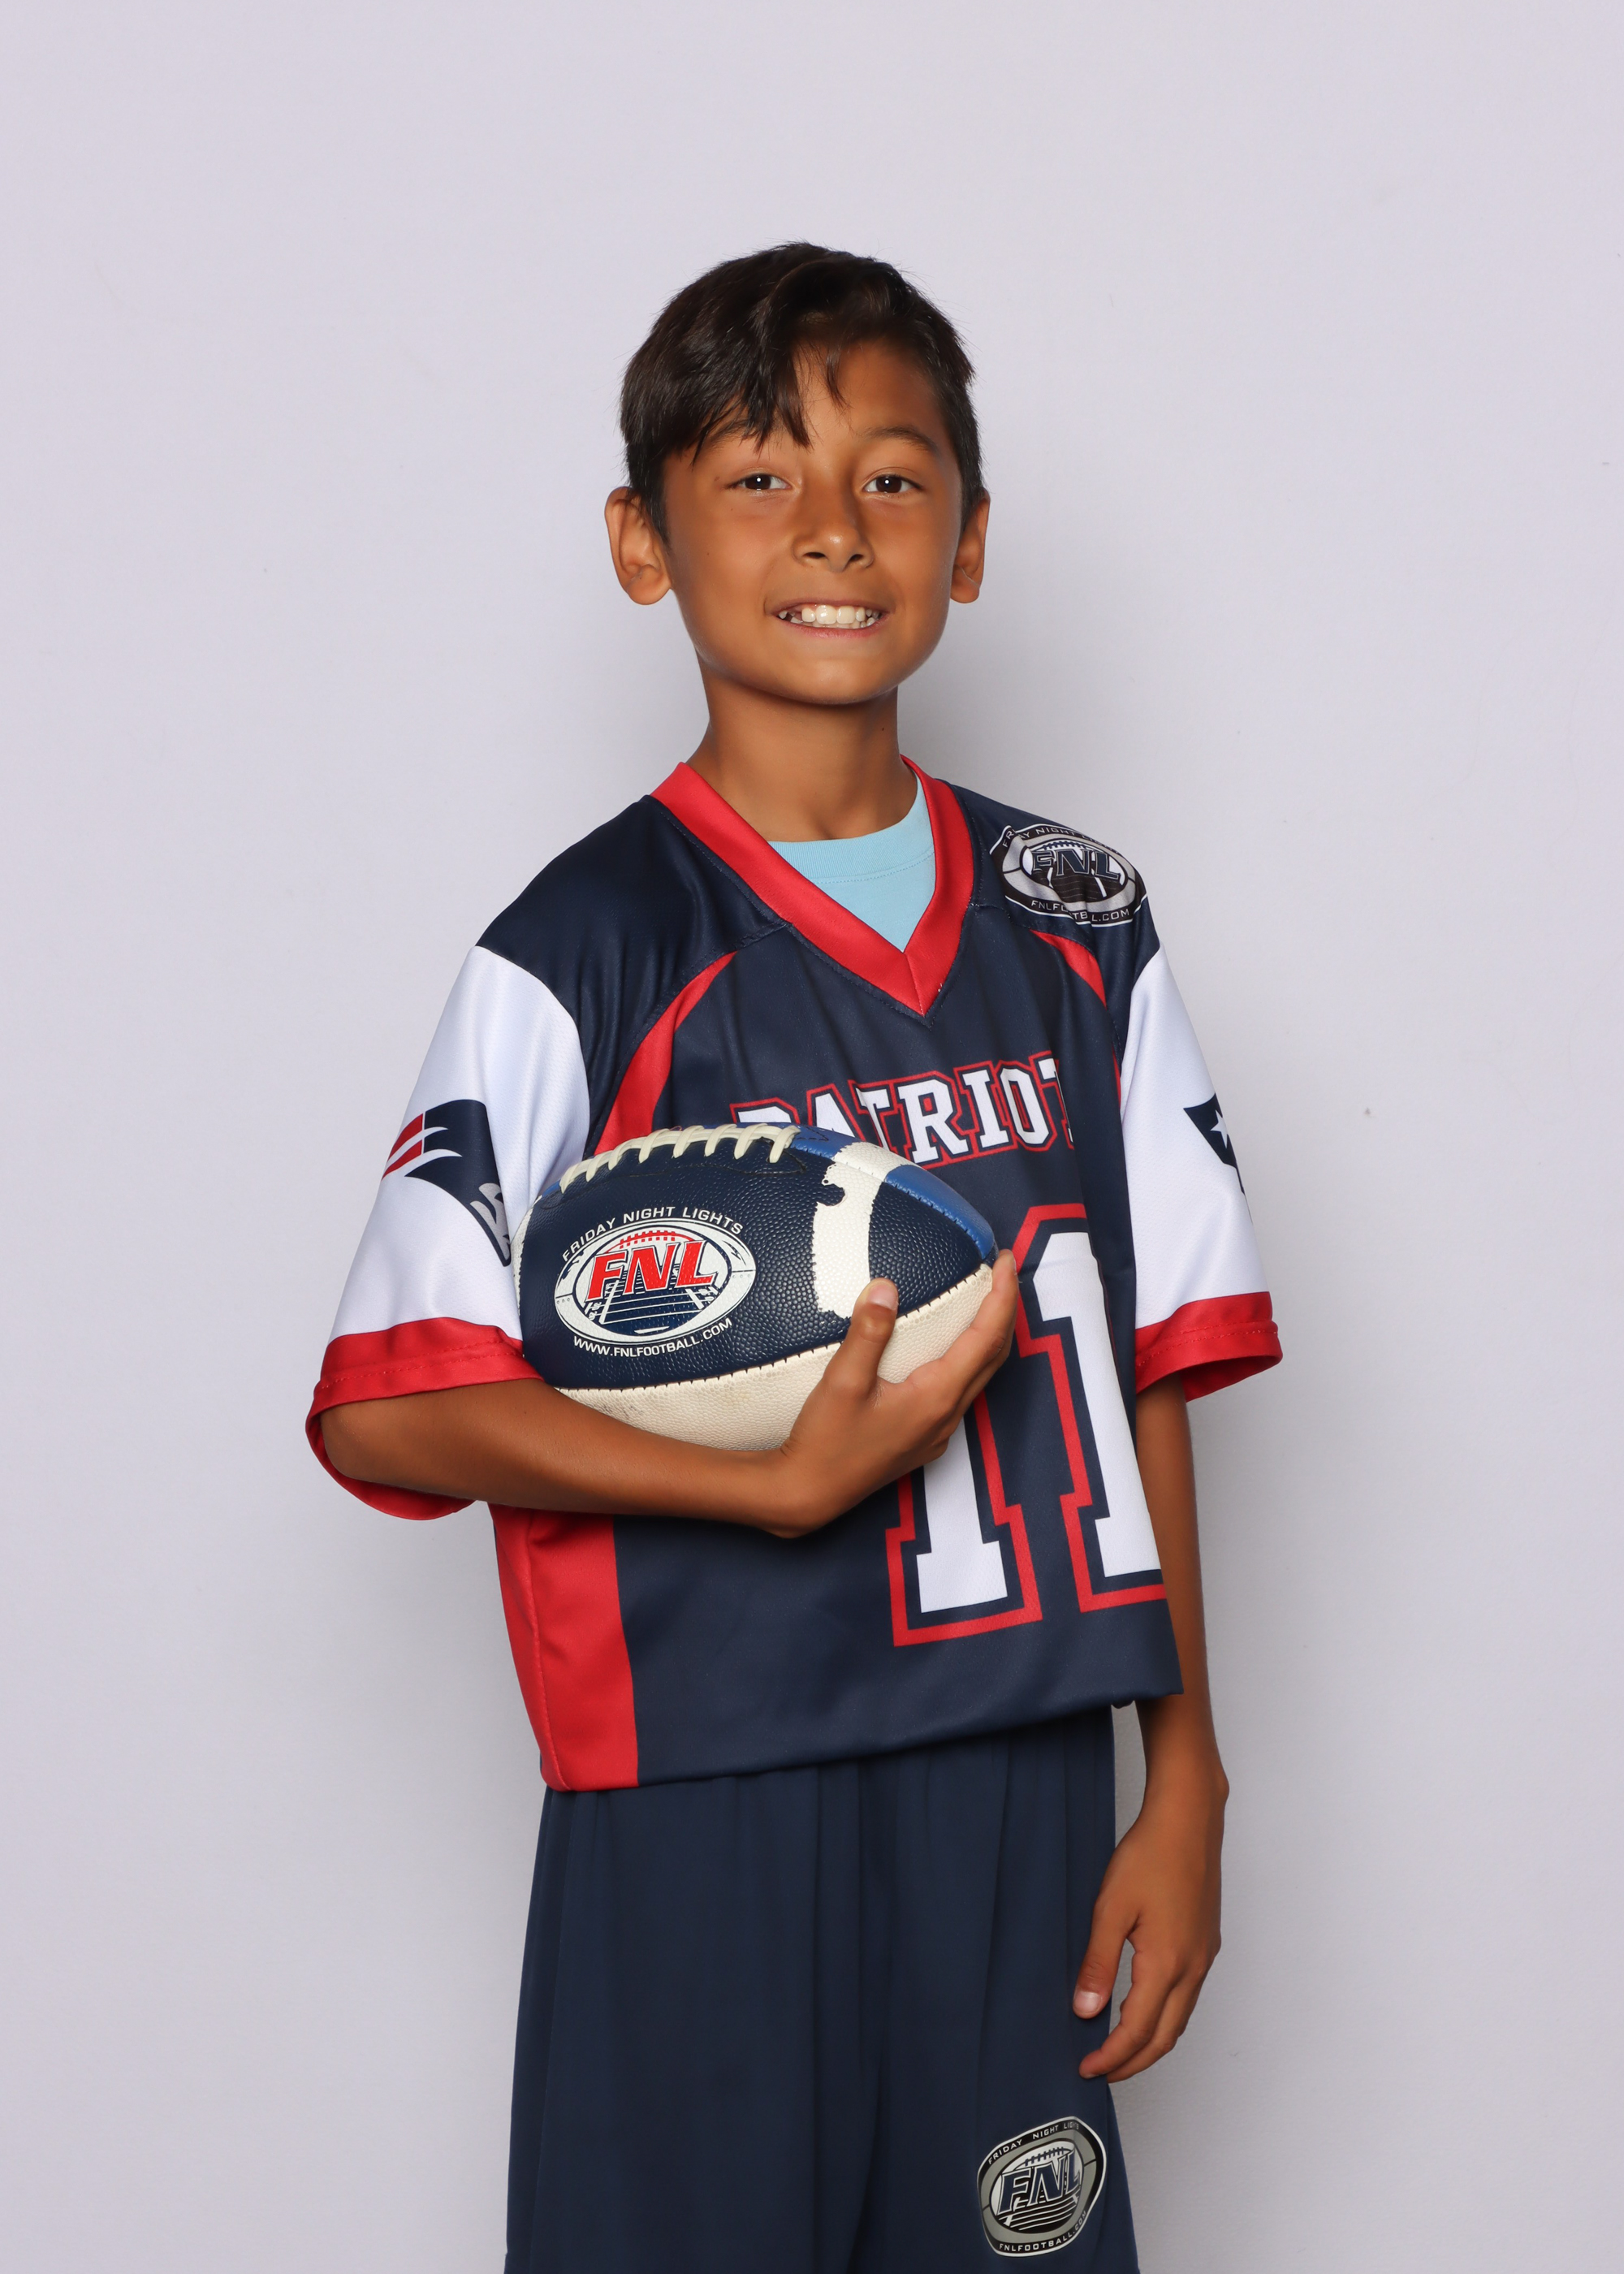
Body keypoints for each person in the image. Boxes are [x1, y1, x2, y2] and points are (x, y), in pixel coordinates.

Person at [309, 244, 1281, 2273]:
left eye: (892, 478)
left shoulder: (1079, 920)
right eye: (758, 477)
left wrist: (1184, 1773)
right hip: (701, 1774)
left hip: (1022, 1761)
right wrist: (764, 1486)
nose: (834, 528)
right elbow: (397, 1399)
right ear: (641, 541)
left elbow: (1154, 1366)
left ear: (970, 539)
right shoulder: (584, 946)